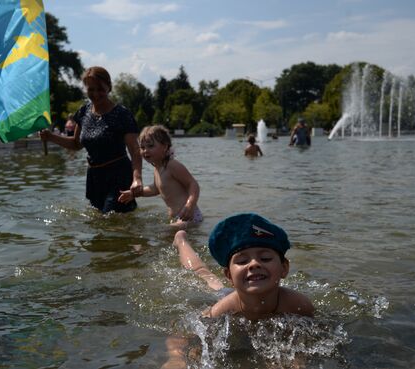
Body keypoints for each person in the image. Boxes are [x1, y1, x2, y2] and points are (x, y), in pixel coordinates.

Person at [163, 213, 314, 368]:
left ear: (284, 268)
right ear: (229, 275)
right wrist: (176, 357)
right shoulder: (222, 310)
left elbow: (310, 339)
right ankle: (181, 241)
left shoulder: (298, 305)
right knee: (204, 275)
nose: (254, 264)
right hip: (226, 295)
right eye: (242, 261)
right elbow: (184, 331)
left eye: (265, 258)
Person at [39, 66, 143, 213]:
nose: (95, 93)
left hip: (118, 176)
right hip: (94, 178)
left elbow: (134, 150)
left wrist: (137, 178)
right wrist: (50, 137)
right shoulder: (83, 112)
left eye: (100, 88)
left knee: (111, 218)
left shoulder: (122, 114)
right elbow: (76, 144)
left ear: (109, 87)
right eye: (91, 89)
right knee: (100, 222)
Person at [119, 125, 202, 227]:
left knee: (163, 232)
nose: (145, 151)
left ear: (165, 147)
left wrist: (190, 205)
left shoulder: (172, 165)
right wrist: (135, 194)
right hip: (178, 218)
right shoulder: (157, 168)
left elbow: (192, 184)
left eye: (150, 146)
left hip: (189, 215)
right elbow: (155, 189)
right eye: (142, 147)